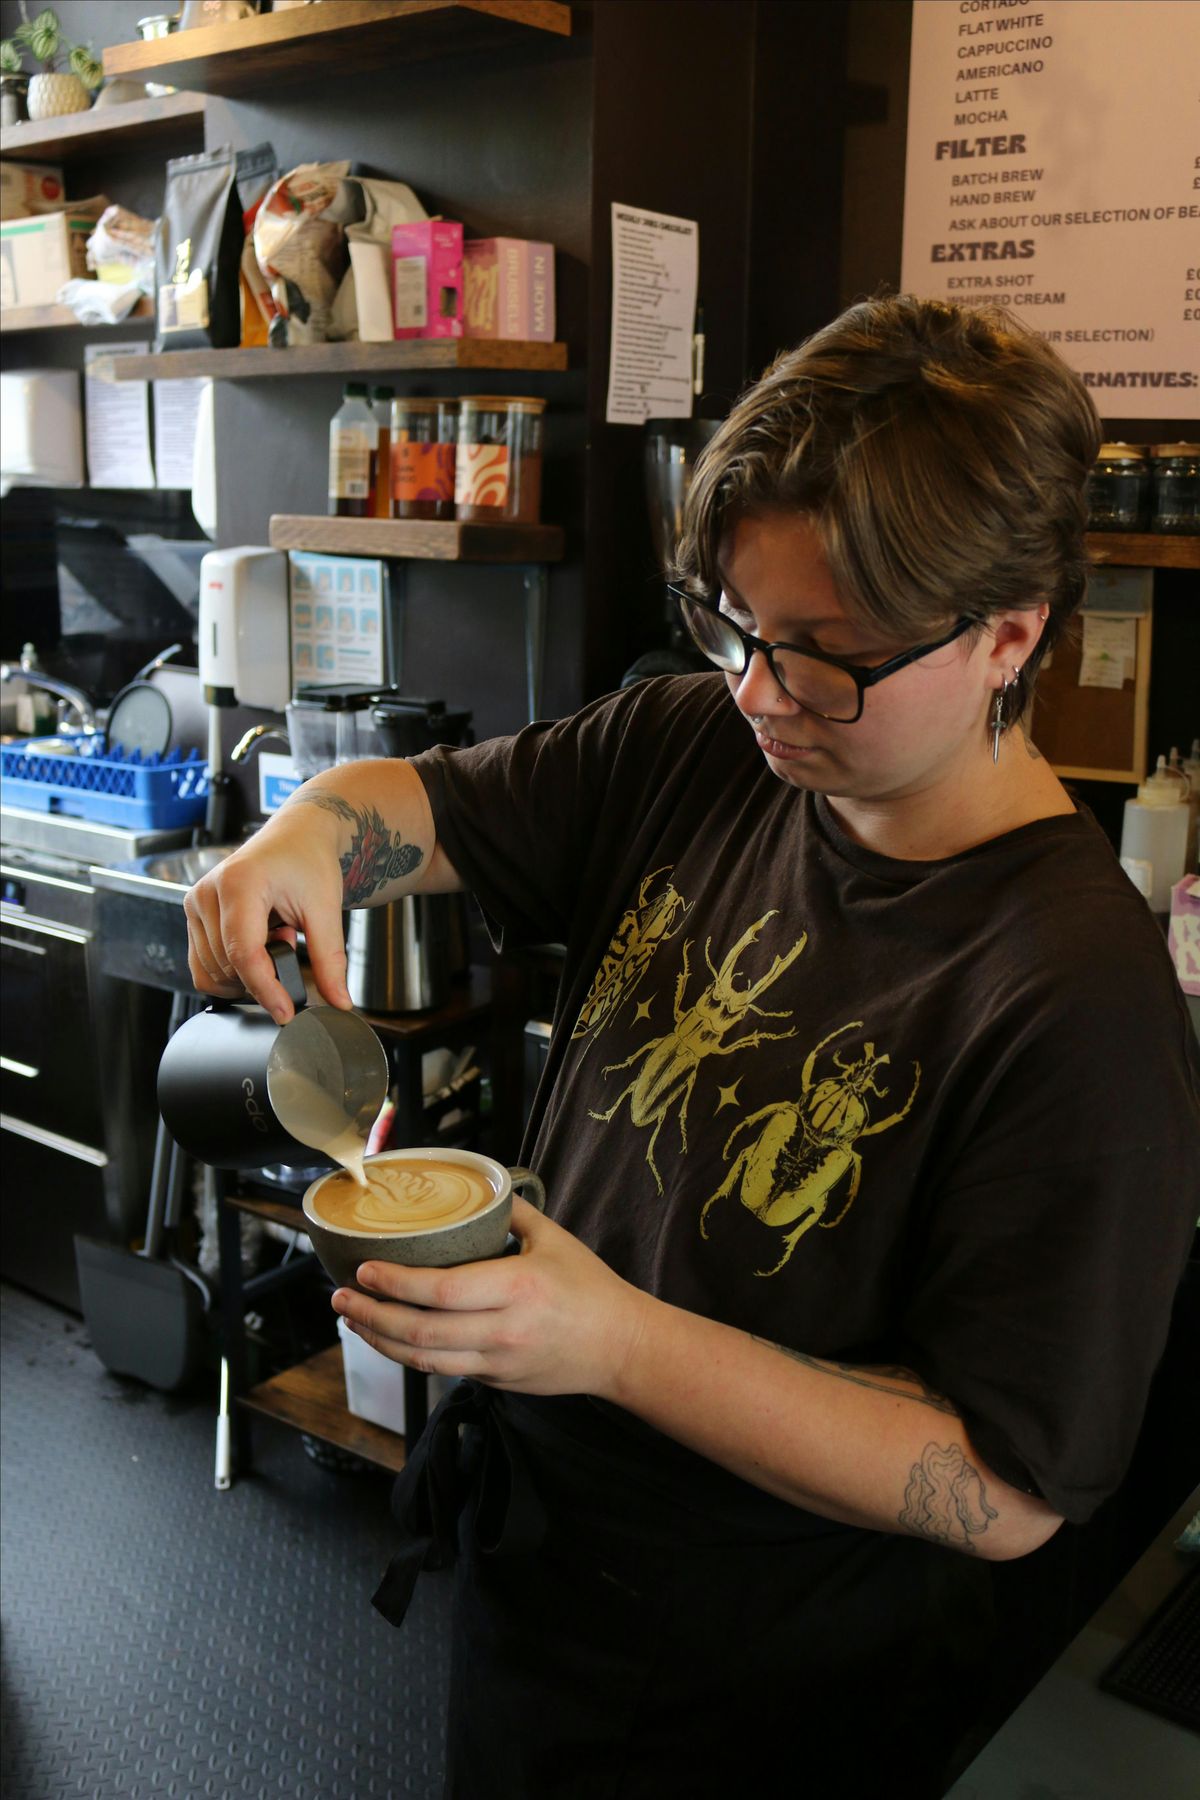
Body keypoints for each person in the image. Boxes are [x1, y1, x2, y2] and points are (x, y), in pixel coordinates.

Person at [185, 295, 1200, 1799]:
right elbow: (435, 808)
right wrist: (306, 837)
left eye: (825, 657)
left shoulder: (1077, 1004)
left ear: (1009, 633)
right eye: (735, 627)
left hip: (778, 1688)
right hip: (541, 1581)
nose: (761, 695)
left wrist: (612, 1344)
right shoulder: (698, 747)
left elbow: (1002, 1489)